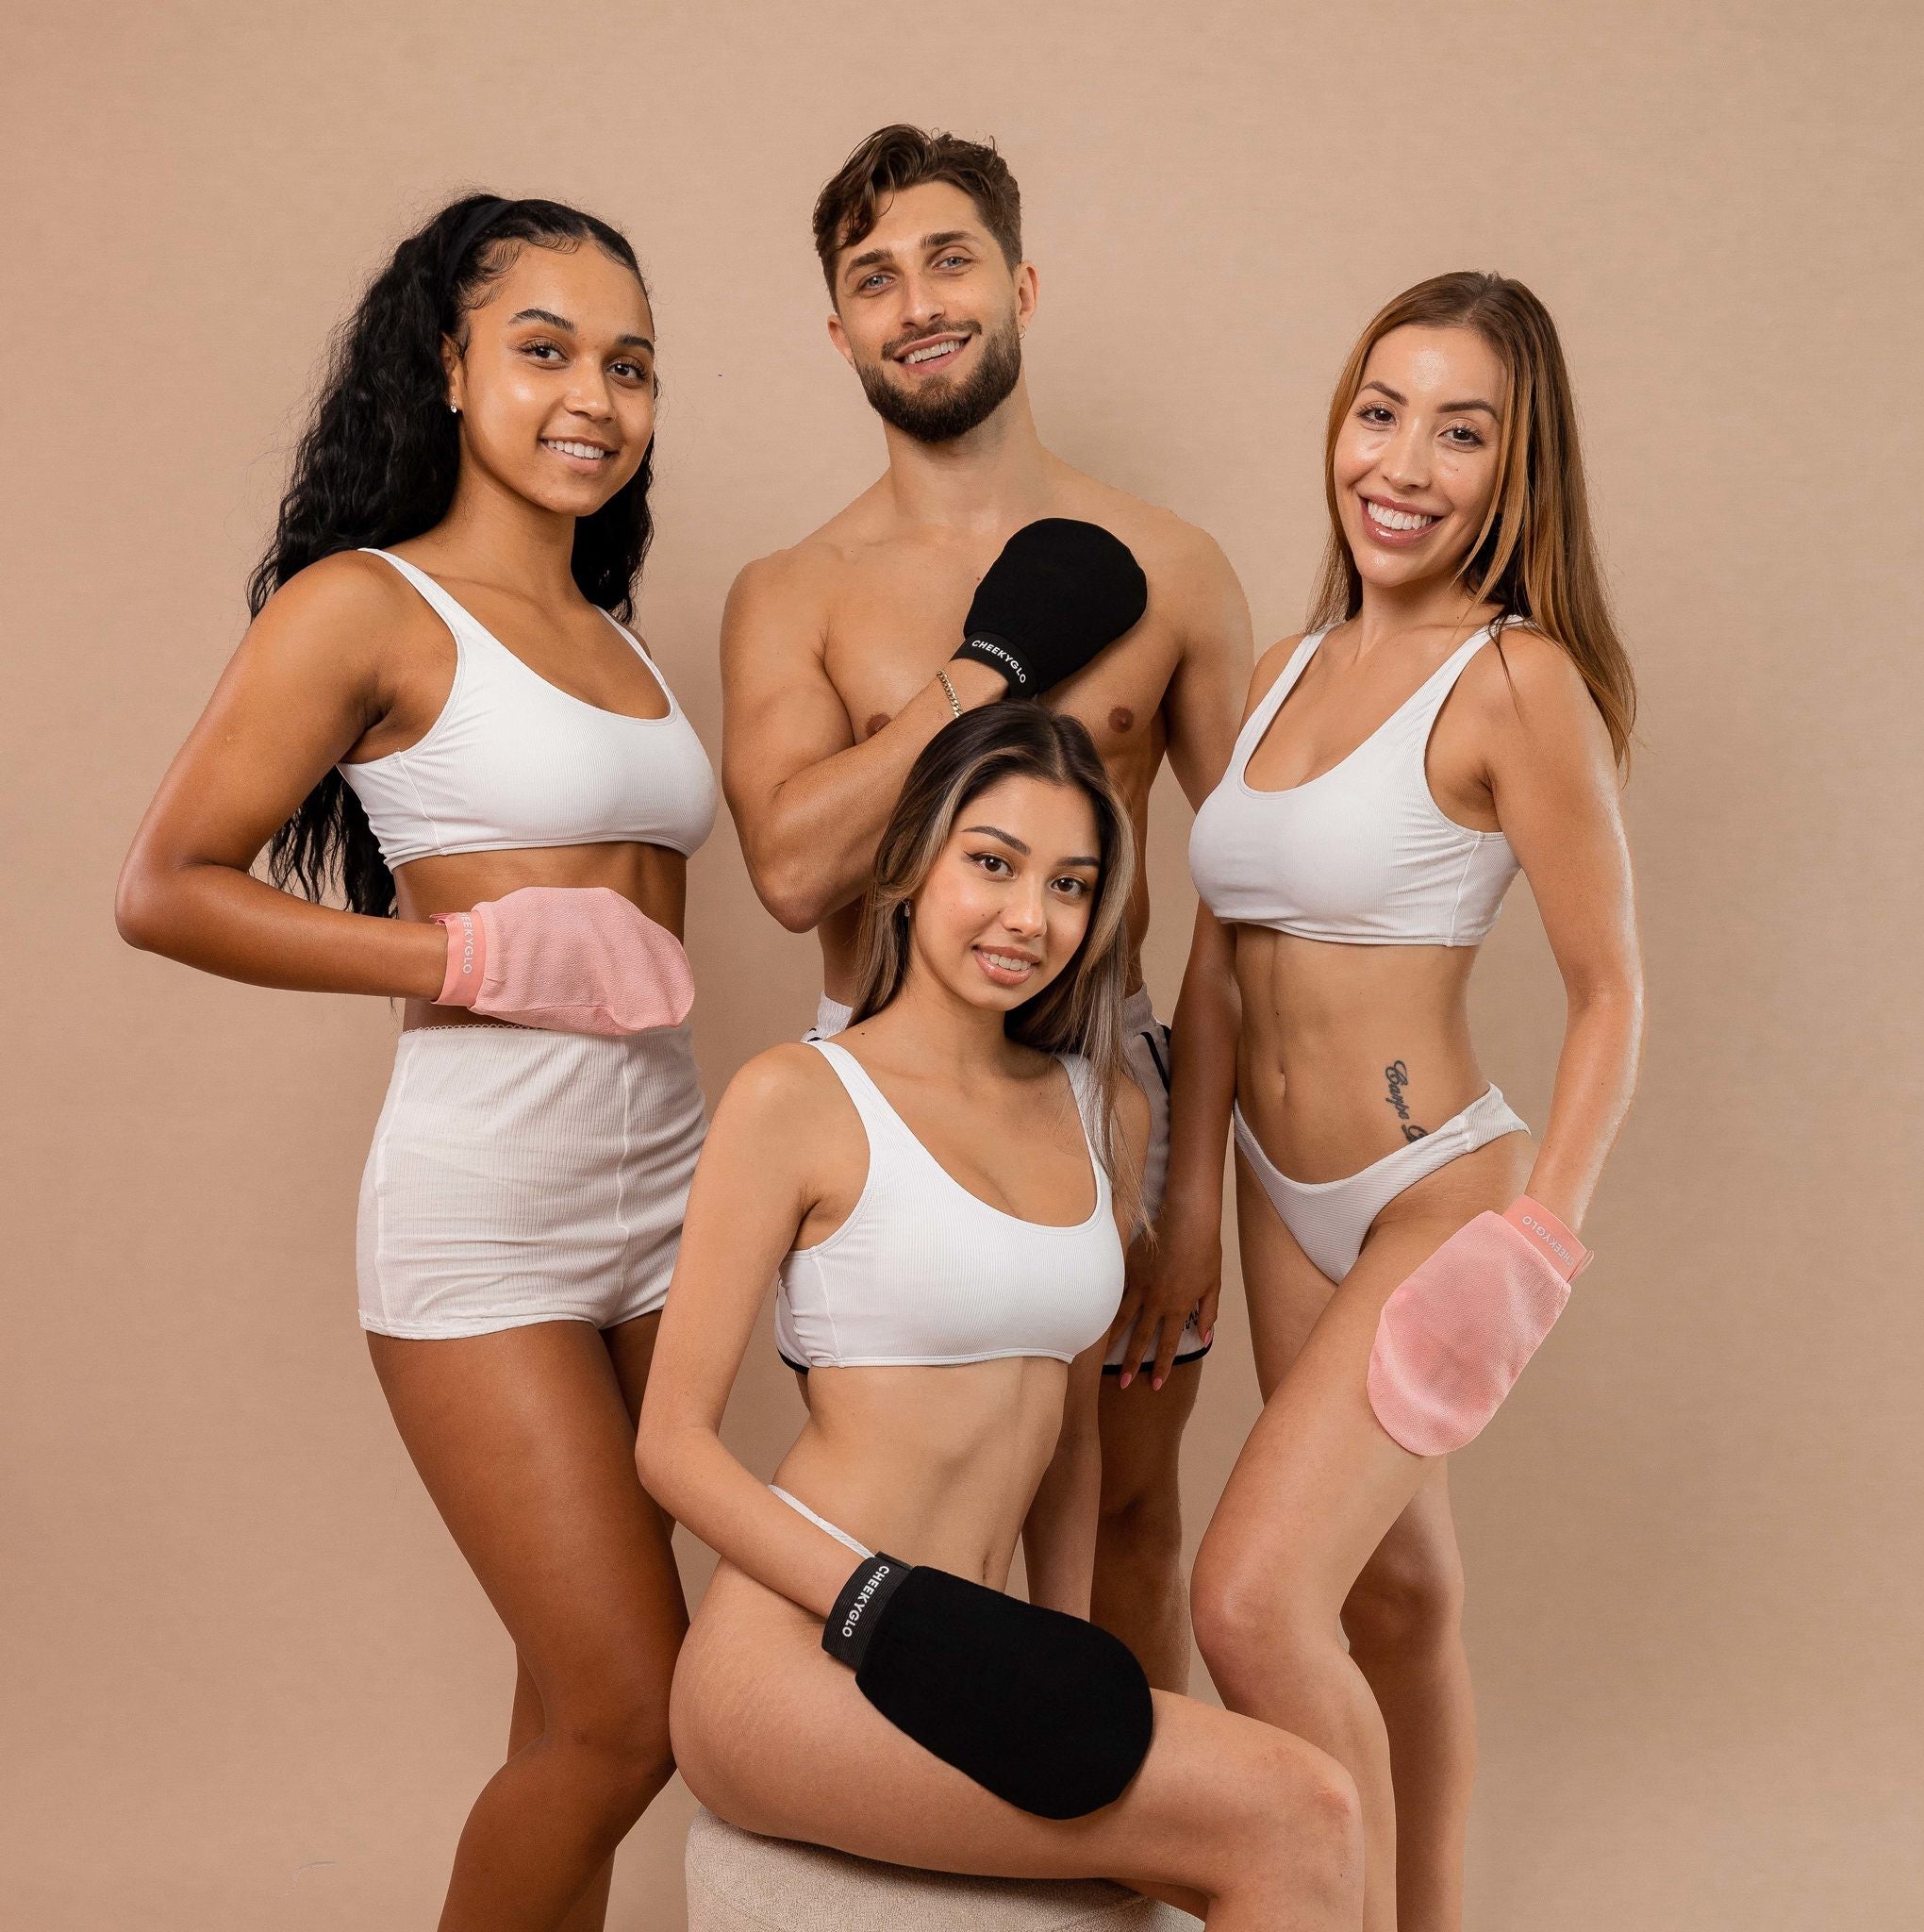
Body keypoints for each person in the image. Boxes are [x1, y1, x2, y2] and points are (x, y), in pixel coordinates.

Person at [115, 194, 715, 1932]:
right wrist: (460, 952)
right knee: (626, 1709)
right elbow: (165, 890)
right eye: (542, 351)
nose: (591, 395)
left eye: (631, 365)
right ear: (448, 368)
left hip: (672, 1192)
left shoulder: (624, 634)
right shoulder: (363, 607)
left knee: (563, 1699)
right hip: (493, 1205)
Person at [639, 706, 1363, 1928]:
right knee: (1299, 1814)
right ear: (915, 860)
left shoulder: (1105, 1109)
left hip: (981, 1649)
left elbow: (1066, 1431)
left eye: (1072, 884)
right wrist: (881, 1602)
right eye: (995, 862)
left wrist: (1058, 1654)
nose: (1032, 915)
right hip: (806, 1654)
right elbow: (669, 1444)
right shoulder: (799, 1097)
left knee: (1300, 1819)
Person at [722, 125, 1250, 1690]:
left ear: (1019, 281)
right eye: (874, 279)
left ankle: (1131, 1885)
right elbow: (796, 868)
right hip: (887, 1104)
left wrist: (1197, 1187)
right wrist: (979, 681)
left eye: (949, 259)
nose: (918, 302)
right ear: (840, 331)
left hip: (1117, 1089)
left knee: (1130, 1522)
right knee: (933, 1516)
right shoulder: (795, 589)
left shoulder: (1177, 566)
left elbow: (1252, 888)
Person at [1183, 272, 1645, 1932]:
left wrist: (1539, 1242)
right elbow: (1219, 961)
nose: (1405, 463)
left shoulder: (1516, 686)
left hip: (1433, 1195)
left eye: (1464, 432)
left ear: (1520, 470)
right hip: (1270, 1193)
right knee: (1396, 1601)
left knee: (1248, 1602)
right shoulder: (1281, 669)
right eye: (1381, 413)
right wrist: (1184, 1201)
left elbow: (1612, 990)